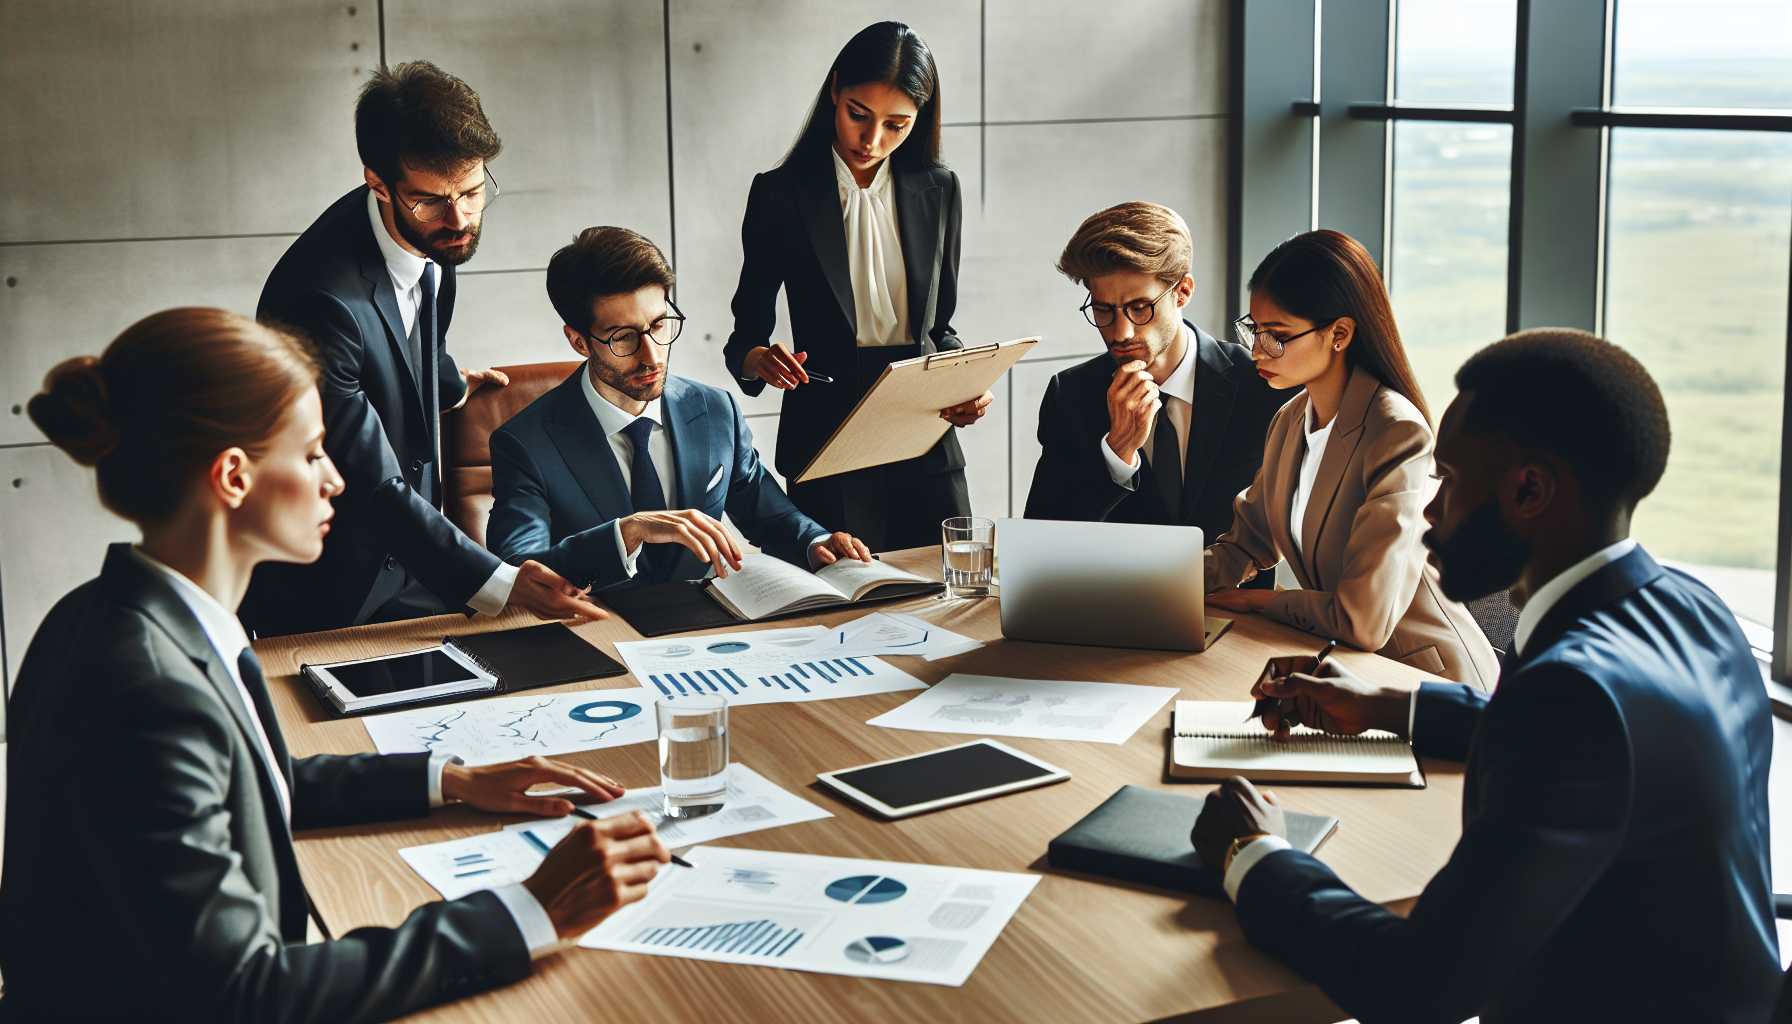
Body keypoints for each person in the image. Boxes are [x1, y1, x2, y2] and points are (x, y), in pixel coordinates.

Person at [1, 309, 671, 1021]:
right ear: (233, 476)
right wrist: (532, 912)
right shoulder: (148, 685)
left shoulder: (124, 613)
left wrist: (450, 779)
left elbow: (254, 781)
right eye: (315, 452)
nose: (336, 481)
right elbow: (247, 993)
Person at [1192, 328, 1781, 1023]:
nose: (1430, 514)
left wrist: (1255, 853)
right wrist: (1387, 708)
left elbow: (1418, 985)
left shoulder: (1571, 698)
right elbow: (1597, 743)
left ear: (1528, 490)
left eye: (1449, 481)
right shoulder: (1693, 609)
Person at [243, 60, 599, 636]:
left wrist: (451, 385)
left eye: (474, 191)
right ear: (377, 183)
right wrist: (501, 583)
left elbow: (411, 342)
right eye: (431, 200)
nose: (458, 219)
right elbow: (368, 481)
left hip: (417, 567)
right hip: (333, 592)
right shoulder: (317, 302)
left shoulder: (433, 238)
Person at [724, 21, 992, 552]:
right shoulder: (780, 194)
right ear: (835, 92)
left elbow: (940, 326)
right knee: (839, 611)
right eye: (858, 116)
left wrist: (962, 383)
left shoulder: (940, 188)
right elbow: (745, 334)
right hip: (828, 432)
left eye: (897, 125)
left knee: (953, 597)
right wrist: (760, 359)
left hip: (924, 431)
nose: (872, 141)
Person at [488, 227, 872, 588]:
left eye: (658, 325)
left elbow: (768, 514)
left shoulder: (716, 410)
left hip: (710, 631)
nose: (651, 356)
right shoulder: (526, 444)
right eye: (623, 337)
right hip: (599, 635)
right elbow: (519, 569)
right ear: (578, 342)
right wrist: (627, 533)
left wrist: (816, 541)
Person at [1207, 230, 1497, 686]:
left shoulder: (1396, 433)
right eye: (1254, 330)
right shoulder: (1290, 420)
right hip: (1350, 671)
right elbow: (1248, 542)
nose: (1257, 351)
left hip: (1426, 680)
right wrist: (1161, 586)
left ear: (1339, 334)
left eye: (1277, 336)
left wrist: (1259, 602)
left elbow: (1363, 619)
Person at [1023, 201, 1284, 553]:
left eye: (1139, 308)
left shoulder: (1261, 385)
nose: (1121, 332)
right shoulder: (1070, 395)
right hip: (1112, 606)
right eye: (1103, 310)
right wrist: (1117, 453)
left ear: (1183, 291)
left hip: (1233, 604)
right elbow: (1042, 544)